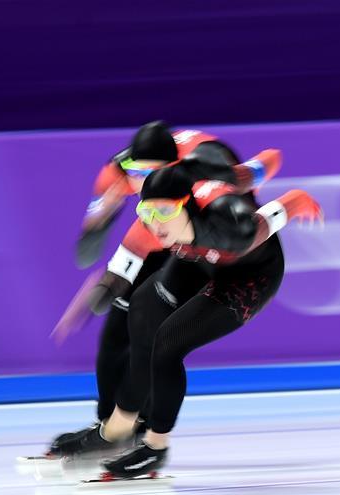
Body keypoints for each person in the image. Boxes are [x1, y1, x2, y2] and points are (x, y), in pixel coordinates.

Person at [57, 164, 322, 478]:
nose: (155, 224)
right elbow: (120, 270)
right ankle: (116, 430)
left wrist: (301, 199)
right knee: (142, 308)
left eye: (165, 211)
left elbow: (284, 206)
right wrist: (98, 296)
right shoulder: (152, 226)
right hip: (197, 259)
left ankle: (156, 448)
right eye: (147, 212)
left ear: (188, 204)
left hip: (249, 276)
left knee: (168, 343)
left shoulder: (233, 224)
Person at [46, 121, 282, 457]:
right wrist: (99, 231)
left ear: (174, 171)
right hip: (176, 238)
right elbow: (95, 246)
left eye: (149, 174)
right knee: (125, 320)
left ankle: (144, 429)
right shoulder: (120, 172)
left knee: (158, 335)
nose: (139, 182)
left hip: (215, 246)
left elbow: (268, 163)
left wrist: (257, 183)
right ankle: (113, 424)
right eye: (135, 175)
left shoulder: (207, 167)